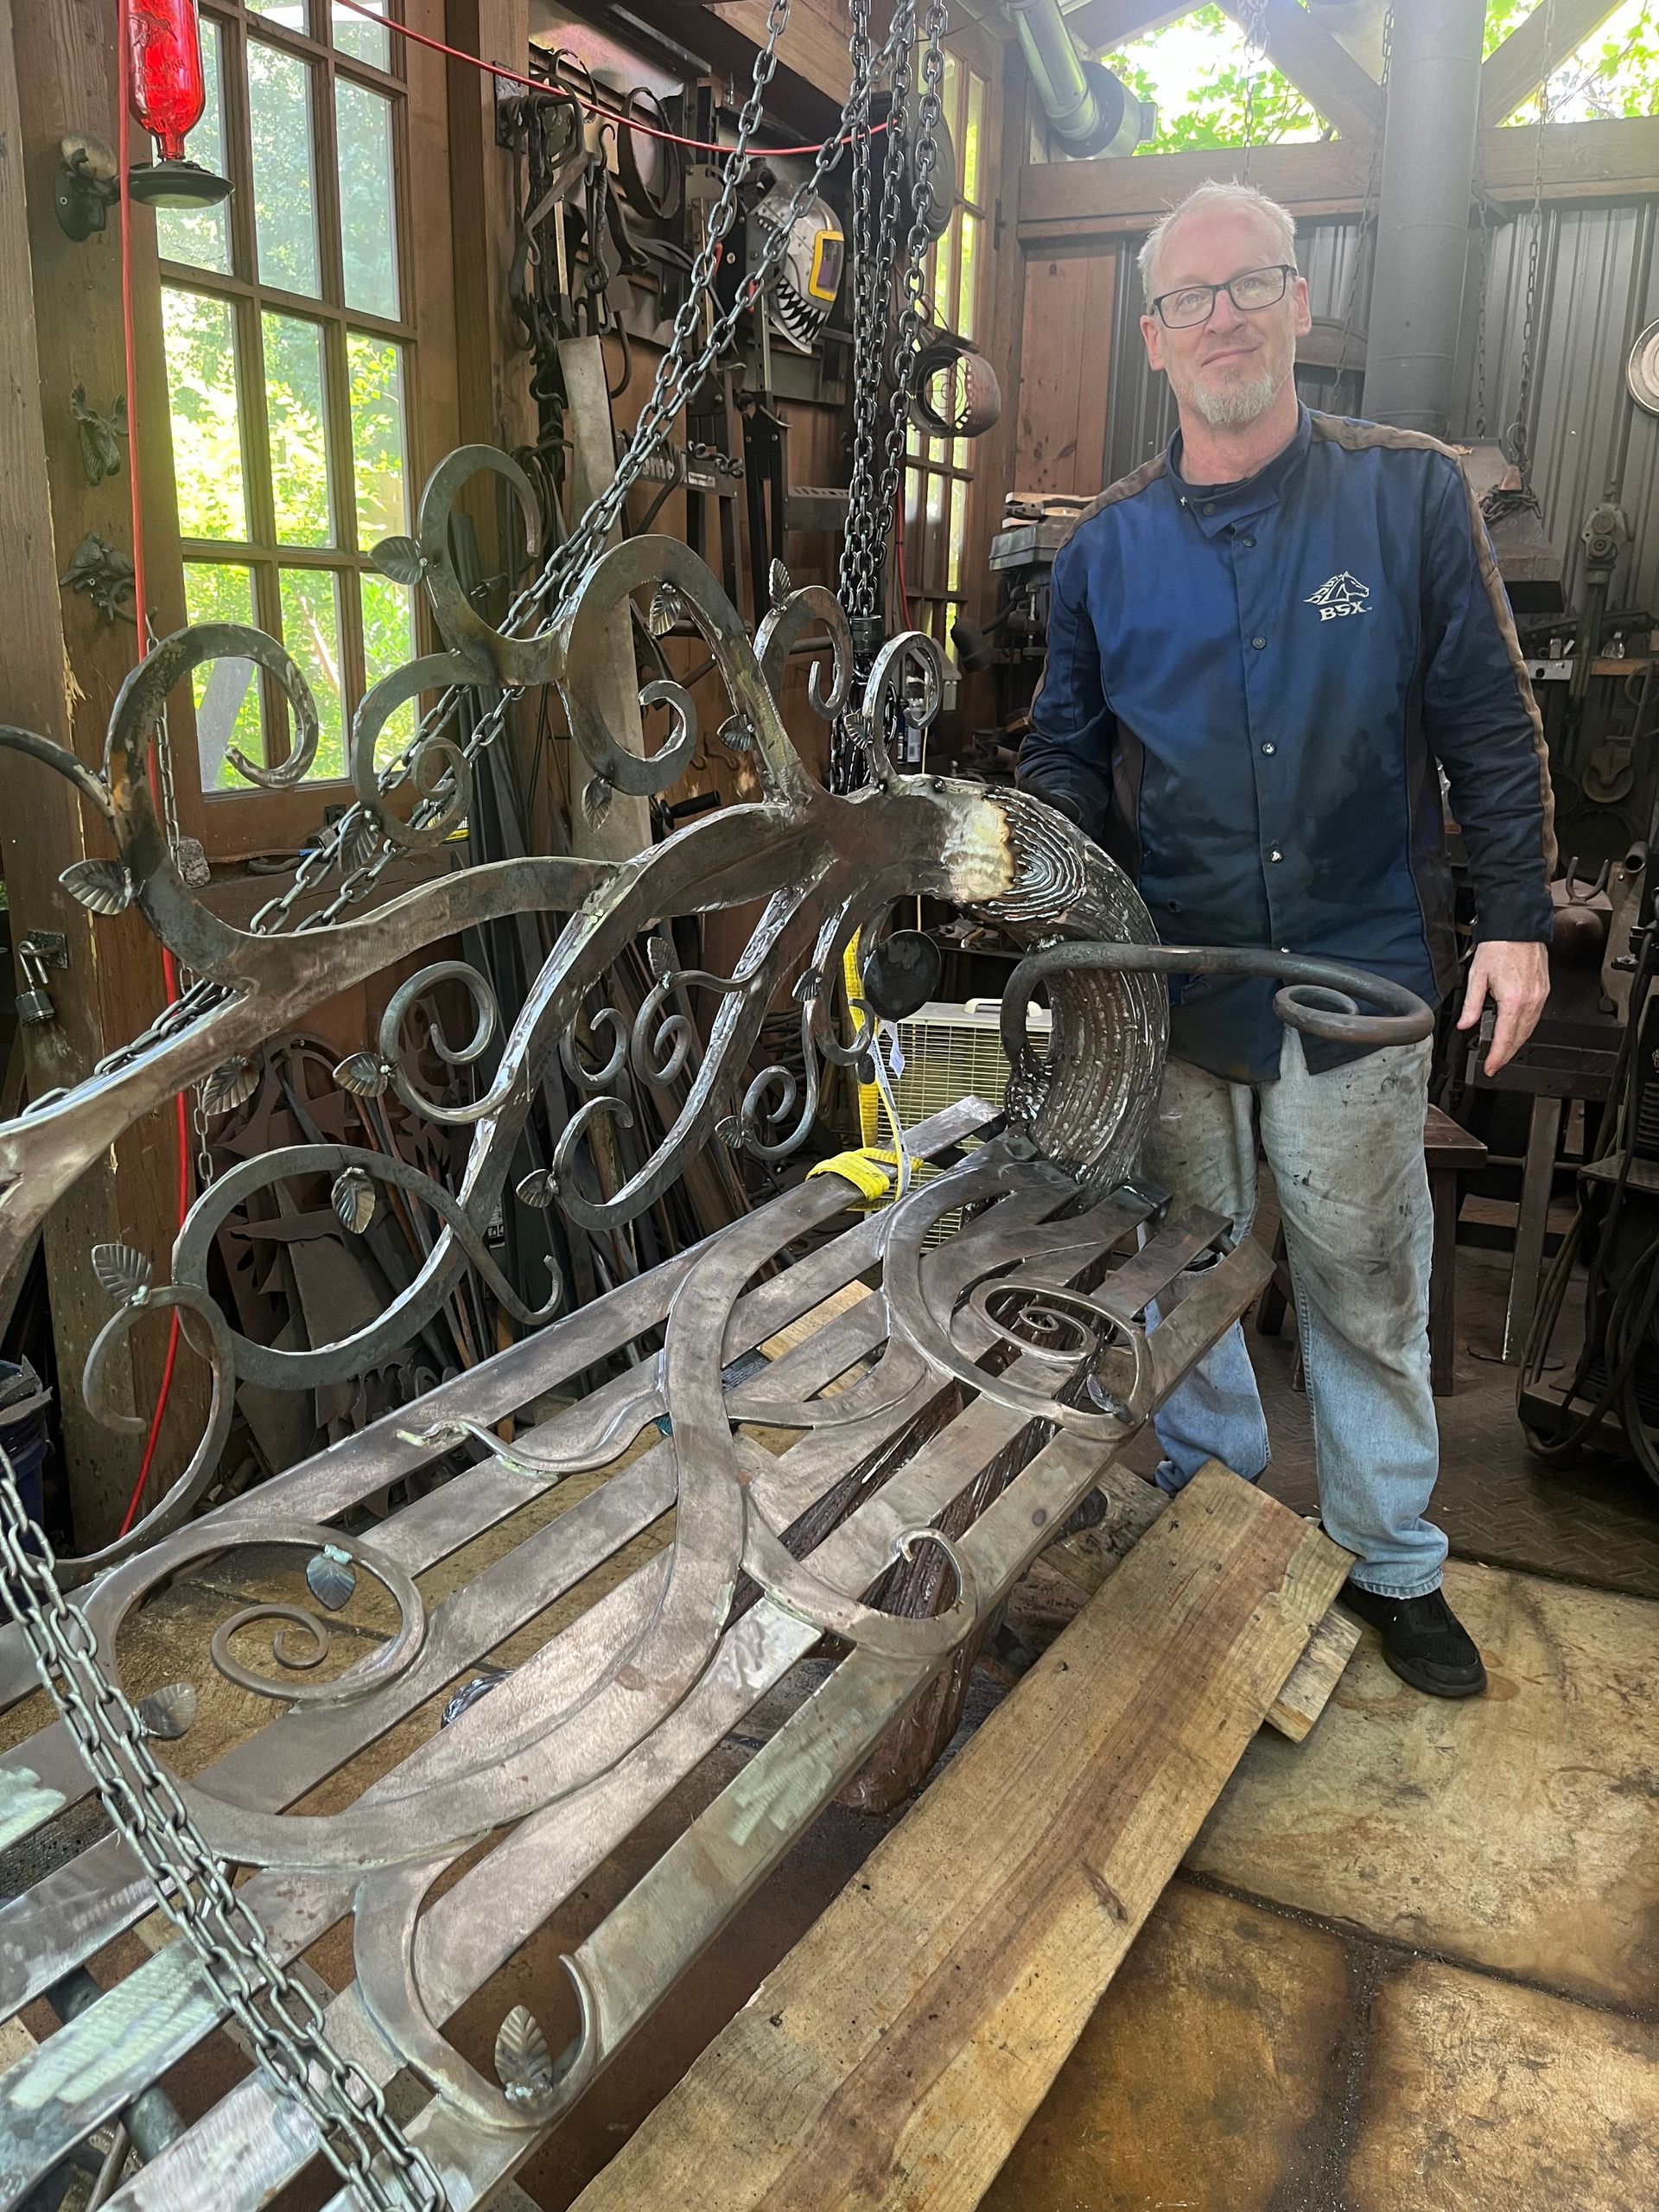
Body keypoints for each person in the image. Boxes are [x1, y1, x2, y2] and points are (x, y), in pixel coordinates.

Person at [1016, 180, 1554, 1699]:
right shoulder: (1105, 550)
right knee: (1189, 1275)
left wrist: (1516, 922)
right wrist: (1058, 898)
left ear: (1300, 305)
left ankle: (1391, 1560)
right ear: (1155, 338)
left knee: (1364, 1280)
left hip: (1355, 970)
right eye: (1192, 299)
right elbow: (1064, 753)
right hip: (1174, 984)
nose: (1226, 319)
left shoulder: (1409, 498)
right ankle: (1220, 1530)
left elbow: (1491, 723)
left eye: (1252, 284)